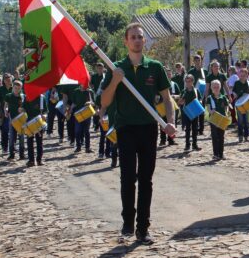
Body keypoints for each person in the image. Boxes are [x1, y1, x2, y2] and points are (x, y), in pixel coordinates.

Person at [100, 22, 176, 245]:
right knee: (127, 177)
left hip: (148, 128)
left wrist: (170, 122)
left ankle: (143, 228)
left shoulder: (155, 67)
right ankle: (127, 222)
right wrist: (115, 79)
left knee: (146, 179)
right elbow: (104, 101)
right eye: (132, 37)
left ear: (145, 41)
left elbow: (167, 98)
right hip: (125, 128)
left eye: (140, 37)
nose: (136, 40)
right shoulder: (116, 68)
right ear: (125, 41)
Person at [206, 79, 230, 160]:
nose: (216, 88)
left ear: (220, 87)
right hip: (214, 119)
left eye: (217, 87)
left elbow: (226, 107)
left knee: (221, 136)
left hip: (222, 119)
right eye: (214, 87)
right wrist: (210, 111)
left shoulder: (223, 97)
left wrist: (226, 113)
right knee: (215, 136)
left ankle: (221, 153)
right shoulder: (210, 98)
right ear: (211, 88)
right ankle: (215, 154)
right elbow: (208, 108)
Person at [178, 74, 201, 151]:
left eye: (190, 81)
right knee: (187, 129)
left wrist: (199, 102)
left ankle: (195, 145)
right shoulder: (183, 91)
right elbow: (180, 102)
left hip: (195, 112)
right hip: (187, 112)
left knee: (195, 129)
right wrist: (181, 101)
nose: (188, 83)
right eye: (187, 81)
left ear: (193, 81)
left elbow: (200, 100)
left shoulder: (196, 90)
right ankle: (187, 145)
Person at [4, 81, 26, 161]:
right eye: (15, 88)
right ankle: (11, 154)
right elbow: (6, 106)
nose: (17, 90)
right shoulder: (8, 96)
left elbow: (26, 107)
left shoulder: (23, 96)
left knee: (22, 137)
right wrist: (5, 111)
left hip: (21, 120)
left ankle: (22, 154)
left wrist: (23, 109)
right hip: (12, 119)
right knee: (12, 137)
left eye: (19, 88)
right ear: (12, 87)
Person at [70, 84, 94, 153]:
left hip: (87, 114)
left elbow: (93, 103)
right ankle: (78, 147)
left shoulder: (90, 92)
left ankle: (87, 147)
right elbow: (74, 103)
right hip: (78, 114)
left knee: (87, 131)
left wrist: (90, 102)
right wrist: (70, 109)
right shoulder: (76, 92)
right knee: (77, 131)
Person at [187, 54, 208, 136]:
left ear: (201, 61)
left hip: (202, 94)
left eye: (198, 60)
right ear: (194, 61)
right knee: (194, 111)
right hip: (193, 94)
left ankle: (201, 129)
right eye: (195, 60)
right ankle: (194, 128)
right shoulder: (191, 71)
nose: (197, 62)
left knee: (201, 111)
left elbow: (207, 83)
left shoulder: (204, 71)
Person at [23, 95, 45, 166]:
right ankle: (31, 160)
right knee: (29, 142)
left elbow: (45, 111)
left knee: (39, 141)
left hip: (39, 121)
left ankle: (39, 160)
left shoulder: (42, 98)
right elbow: (23, 110)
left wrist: (44, 115)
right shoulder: (27, 98)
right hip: (29, 122)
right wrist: (21, 110)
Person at [232, 68, 249, 143]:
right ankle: (240, 136)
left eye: (244, 75)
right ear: (239, 75)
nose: (242, 77)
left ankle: (246, 136)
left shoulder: (248, 83)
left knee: (246, 121)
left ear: (247, 75)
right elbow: (233, 91)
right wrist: (235, 94)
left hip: (246, 104)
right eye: (241, 75)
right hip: (239, 104)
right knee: (240, 121)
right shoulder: (237, 83)